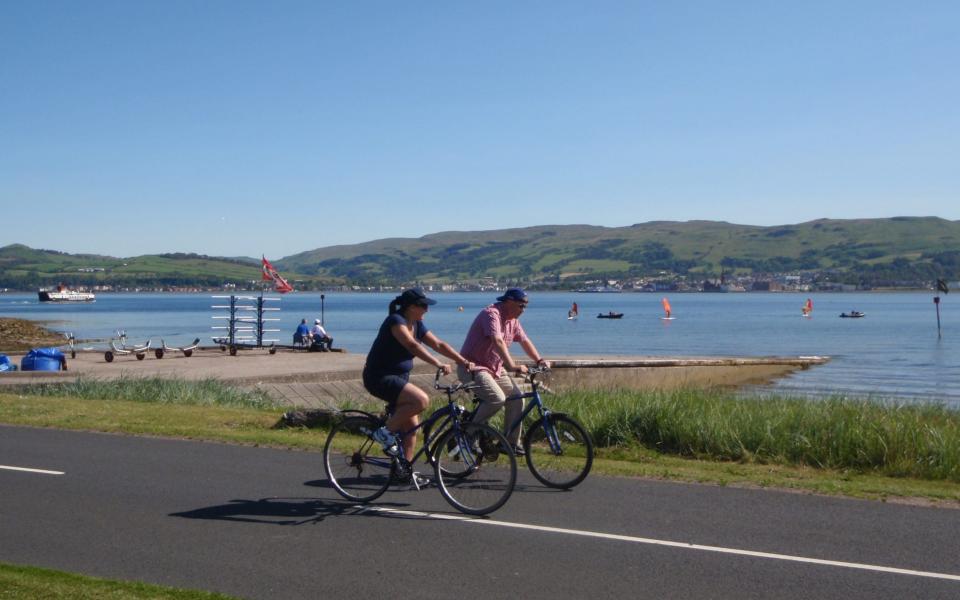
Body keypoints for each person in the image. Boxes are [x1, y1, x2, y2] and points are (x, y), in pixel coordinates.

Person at [363, 288, 475, 473]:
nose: (427, 310)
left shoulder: (416, 324)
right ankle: (384, 433)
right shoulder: (396, 321)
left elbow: (439, 344)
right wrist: (437, 363)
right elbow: (411, 345)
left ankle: (403, 470)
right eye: (423, 306)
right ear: (410, 307)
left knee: (412, 428)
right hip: (379, 377)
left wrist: (462, 361)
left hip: (399, 378)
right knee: (421, 400)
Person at [457, 288, 550, 454]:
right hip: (473, 367)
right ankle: (468, 435)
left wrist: (539, 360)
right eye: (521, 306)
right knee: (497, 398)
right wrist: (513, 366)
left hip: (495, 369)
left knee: (517, 398)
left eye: (525, 307)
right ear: (509, 302)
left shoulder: (513, 320)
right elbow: (497, 340)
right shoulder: (491, 314)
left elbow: (524, 341)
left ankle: (510, 443)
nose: (523, 310)